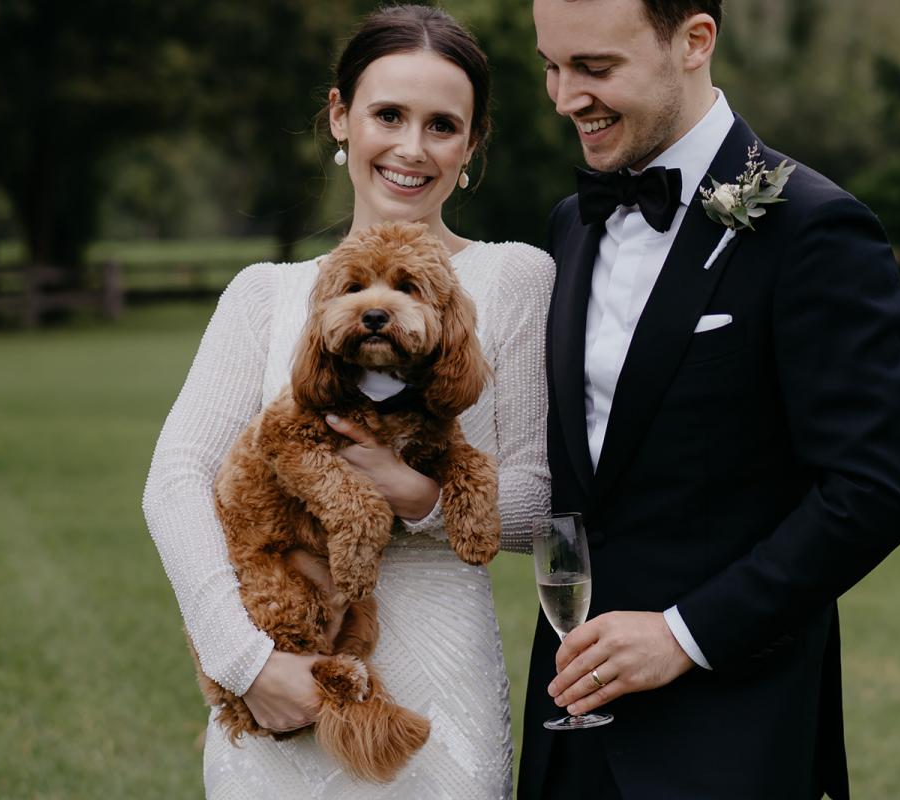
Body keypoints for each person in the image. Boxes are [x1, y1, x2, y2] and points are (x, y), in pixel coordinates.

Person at [143, 6, 553, 798]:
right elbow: (175, 479)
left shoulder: (514, 281)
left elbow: (544, 495)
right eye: (388, 115)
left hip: (443, 685)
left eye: (443, 125)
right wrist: (247, 663)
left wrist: (418, 497)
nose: (411, 147)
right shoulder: (266, 296)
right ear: (340, 117)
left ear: (472, 146)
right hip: (286, 677)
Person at [521, 1, 900, 798]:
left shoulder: (815, 228)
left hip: (732, 728)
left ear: (694, 42)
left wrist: (683, 635)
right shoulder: (572, 223)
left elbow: (873, 493)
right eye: (551, 67)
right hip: (570, 725)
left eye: (596, 69)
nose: (566, 98)